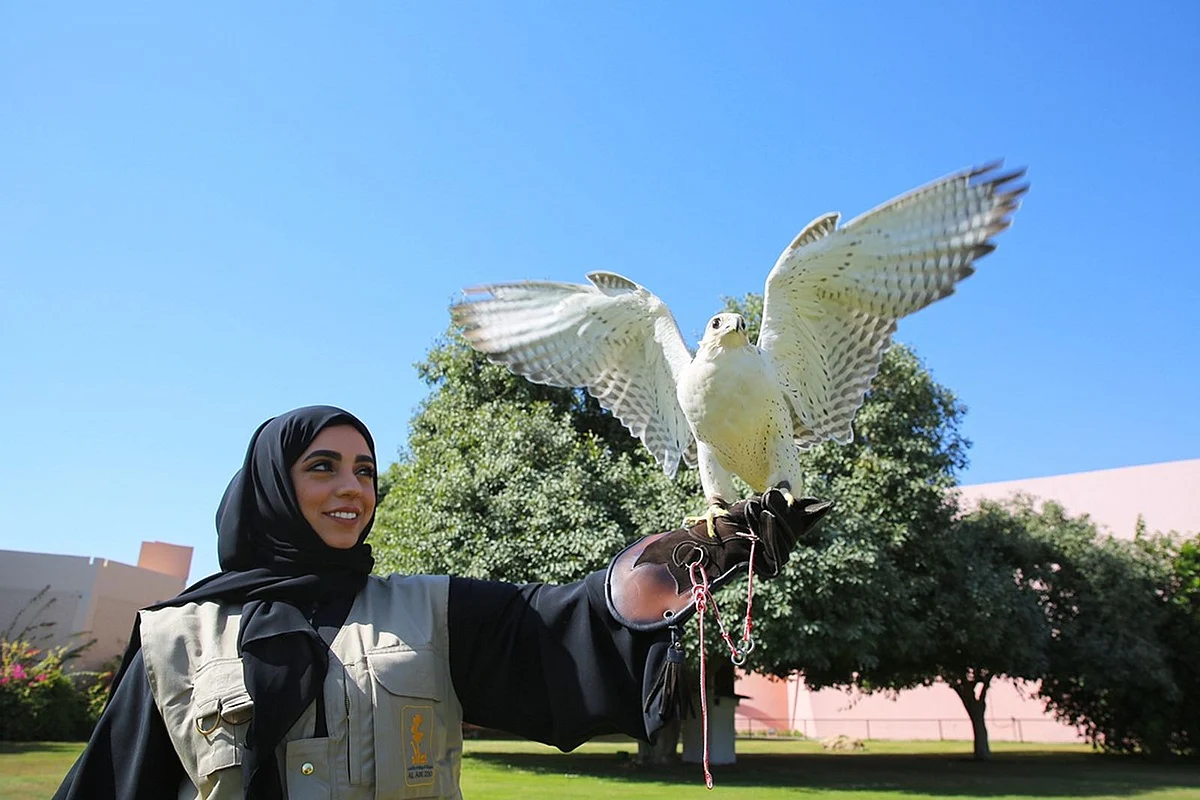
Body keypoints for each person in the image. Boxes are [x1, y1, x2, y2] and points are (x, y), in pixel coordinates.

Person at [54, 405, 828, 799]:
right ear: (272, 488)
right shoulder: (175, 639)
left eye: (365, 470)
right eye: (323, 467)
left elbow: (575, 619)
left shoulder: (434, 613)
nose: (353, 488)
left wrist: (701, 553)